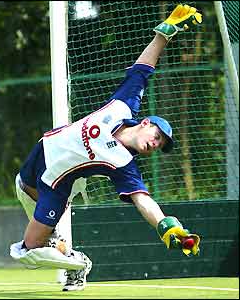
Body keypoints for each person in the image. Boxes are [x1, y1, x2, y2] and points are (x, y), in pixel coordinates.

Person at [10, 4, 202, 292]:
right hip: (39, 158)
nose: (155, 144)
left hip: (56, 184)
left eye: (160, 145)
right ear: (147, 122)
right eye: (158, 135)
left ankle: (79, 263)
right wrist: (165, 34)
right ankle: (61, 246)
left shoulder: (123, 163)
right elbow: (142, 71)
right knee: (22, 190)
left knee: (28, 252)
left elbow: (142, 199)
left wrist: (166, 226)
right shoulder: (124, 105)